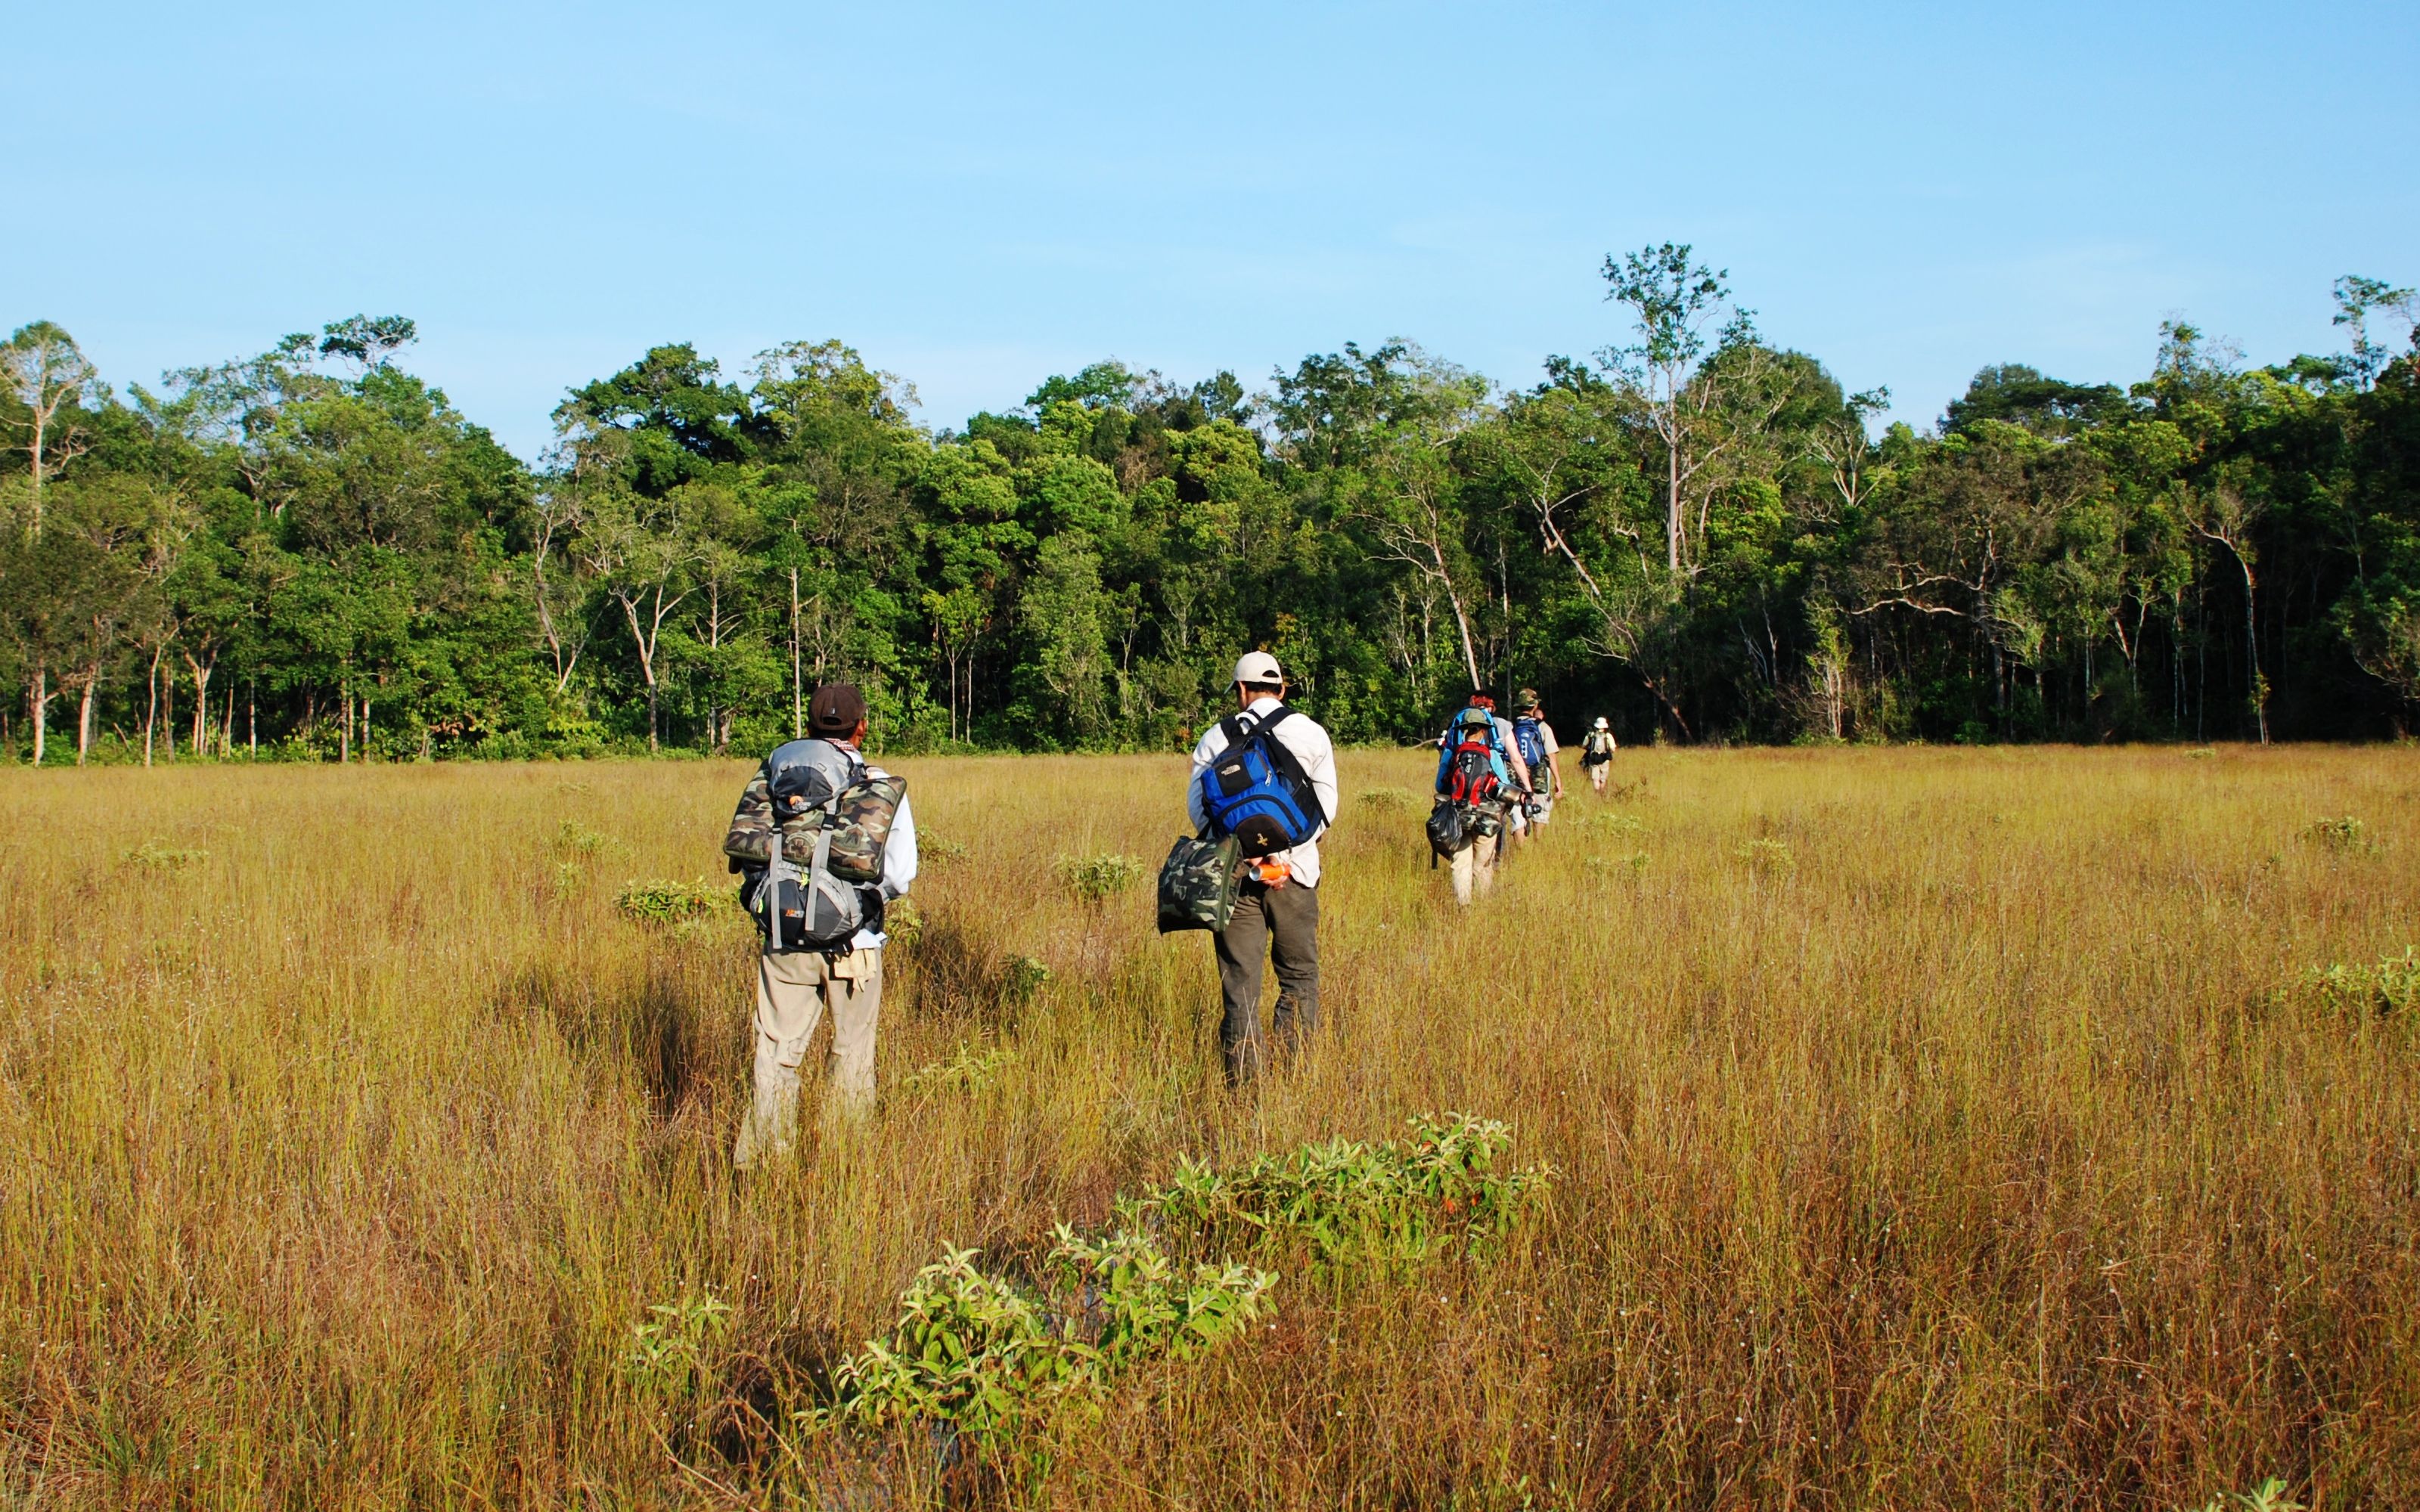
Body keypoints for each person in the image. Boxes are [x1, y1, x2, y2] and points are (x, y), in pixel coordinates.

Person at [725, 683, 917, 1167]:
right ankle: (842, 1166)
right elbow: (899, 874)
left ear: (807, 726)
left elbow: (749, 849)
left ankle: (766, 1164)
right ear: (861, 727)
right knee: (851, 1056)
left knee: (775, 1055)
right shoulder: (876, 784)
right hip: (854, 945)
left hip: (783, 941)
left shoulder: (773, 775)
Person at [1187, 651, 1338, 1084]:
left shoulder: (1215, 738)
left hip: (1234, 879)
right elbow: (1326, 811)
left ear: (1240, 690)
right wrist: (1281, 855)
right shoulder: (1311, 732)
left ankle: (1245, 1086)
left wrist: (1248, 850)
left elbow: (1200, 813)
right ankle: (1295, 1078)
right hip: (1296, 875)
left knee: (1240, 985)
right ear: (1282, 688)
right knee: (1298, 977)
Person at [1434, 690, 1526, 904]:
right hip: (1487, 816)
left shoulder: (1452, 752)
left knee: (1460, 862)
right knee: (1483, 864)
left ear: (1462, 729)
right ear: (1485, 730)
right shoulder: (1492, 754)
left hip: (1459, 815)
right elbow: (1503, 785)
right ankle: (1484, 907)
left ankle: (1463, 907)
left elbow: (1440, 785)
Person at [1510, 689, 1565, 830]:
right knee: (1541, 809)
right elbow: (1551, 755)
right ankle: (1537, 843)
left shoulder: (1511, 726)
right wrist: (1558, 780)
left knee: (1517, 812)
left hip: (1515, 773)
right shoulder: (1542, 726)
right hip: (1539, 772)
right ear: (1534, 706)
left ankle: (1520, 848)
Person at [1581, 716, 1618, 792]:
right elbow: (1613, 749)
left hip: (1593, 759)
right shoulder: (1608, 736)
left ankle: (1597, 793)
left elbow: (1583, 746)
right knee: (1603, 779)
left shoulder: (1591, 735)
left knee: (1595, 779)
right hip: (1605, 759)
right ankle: (1602, 794)